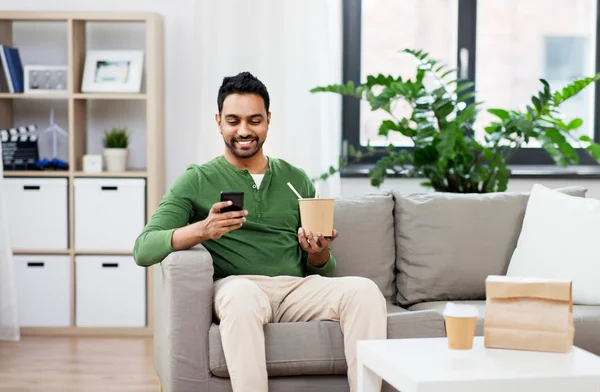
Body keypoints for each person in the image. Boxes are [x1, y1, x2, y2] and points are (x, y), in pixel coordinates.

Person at [133, 71, 387, 392]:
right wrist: (202, 230)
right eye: (233, 120)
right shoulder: (197, 179)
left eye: (254, 120)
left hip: (295, 289)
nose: (243, 131)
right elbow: (143, 248)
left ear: (268, 120)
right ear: (219, 121)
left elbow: (322, 267)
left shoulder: (296, 179)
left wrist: (318, 251)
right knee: (241, 297)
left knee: (364, 291)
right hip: (239, 286)